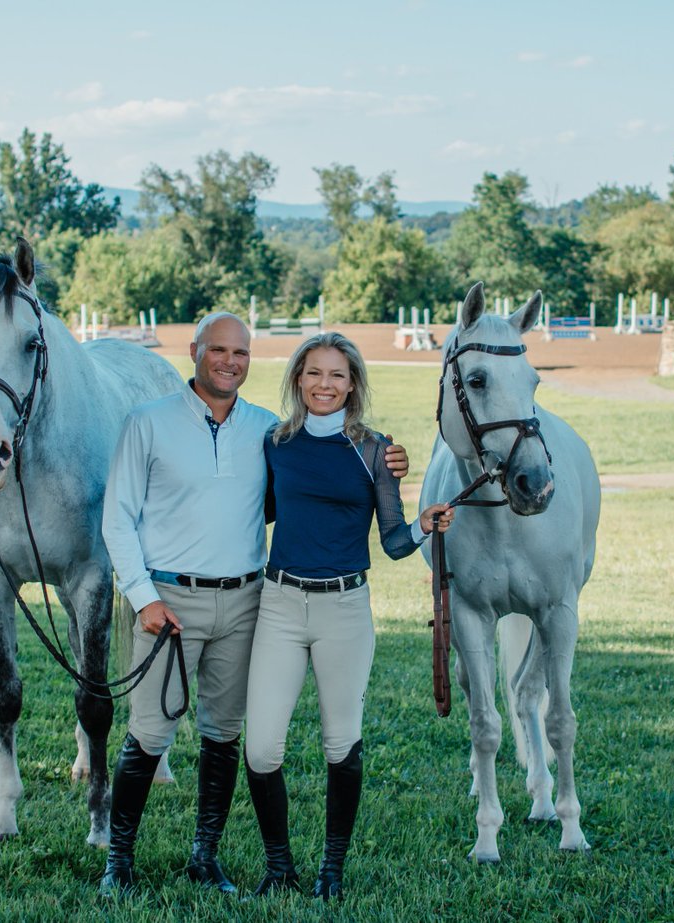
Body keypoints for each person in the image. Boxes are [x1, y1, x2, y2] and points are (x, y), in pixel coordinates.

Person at [99, 314, 410, 897]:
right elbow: (117, 518)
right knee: (148, 733)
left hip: (249, 601)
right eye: (217, 350)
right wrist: (143, 598)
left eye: (240, 353)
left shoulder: (270, 432)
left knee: (224, 734)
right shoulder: (147, 423)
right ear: (194, 351)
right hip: (167, 603)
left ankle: (204, 855)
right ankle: (118, 861)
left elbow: (316, 479)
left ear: (251, 360)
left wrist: (389, 467)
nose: (228, 361)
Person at [242, 332, 453, 901]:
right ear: (297, 379)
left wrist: (424, 523)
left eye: (337, 375)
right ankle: (279, 867)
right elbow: (254, 513)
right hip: (280, 604)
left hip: (344, 609)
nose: (324, 385)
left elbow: (392, 541)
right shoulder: (275, 444)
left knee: (342, 742)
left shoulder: (374, 451)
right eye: (313, 373)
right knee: (261, 748)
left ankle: (330, 871)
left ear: (353, 383)